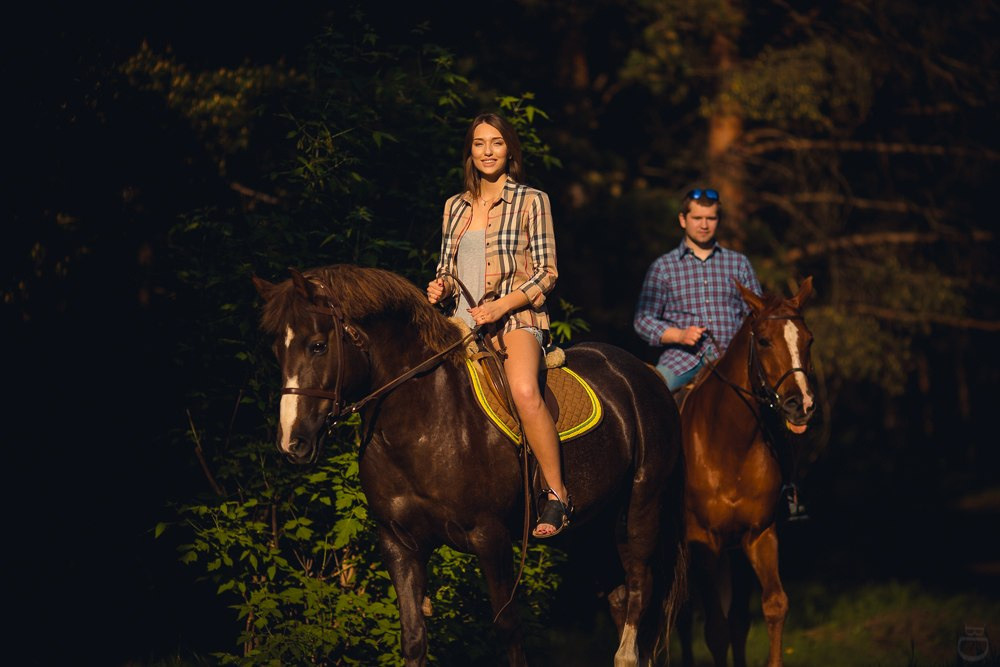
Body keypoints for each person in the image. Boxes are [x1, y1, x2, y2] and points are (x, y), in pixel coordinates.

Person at [426, 112, 571, 538]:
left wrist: (500, 307)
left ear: (510, 150)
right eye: (479, 143)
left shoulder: (532, 200)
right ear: (469, 152)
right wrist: (440, 286)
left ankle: (557, 496)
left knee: (525, 392)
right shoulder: (454, 206)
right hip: (458, 324)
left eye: (496, 143)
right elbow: (448, 268)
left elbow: (547, 273)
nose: (487, 151)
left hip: (516, 319)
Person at [633, 187, 807, 520]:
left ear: (718, 221)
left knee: (779, 410)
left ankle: (789, 492)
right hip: (682, 361)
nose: (704, 225)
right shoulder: (664, 267)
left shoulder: (737, 263)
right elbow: (642, 320)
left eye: (710, 218)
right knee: (651, 404)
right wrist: (678, 335)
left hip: (736, 362)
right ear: (683, 220)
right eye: (697, 218)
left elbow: (761, 315)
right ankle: (646, 494)